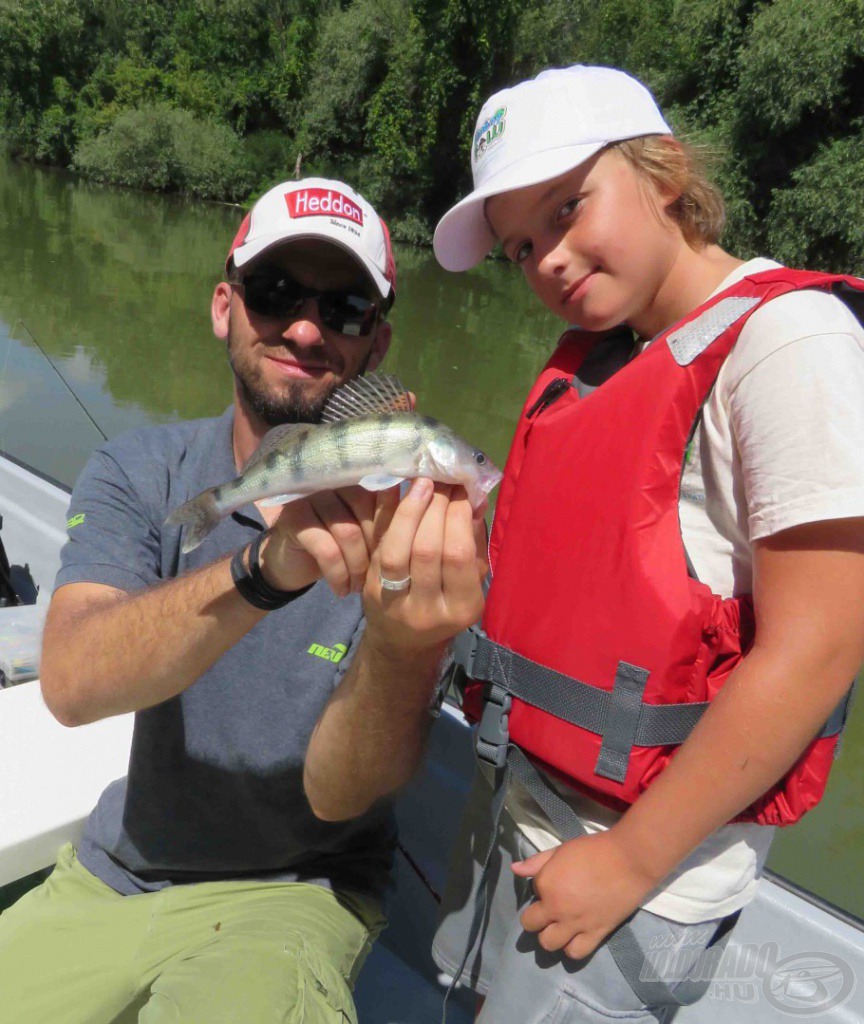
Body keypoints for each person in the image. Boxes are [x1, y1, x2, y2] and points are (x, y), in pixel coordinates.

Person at [305, 66, 864, 1020]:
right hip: (519, 805)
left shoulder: (789, 344)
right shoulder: (614, 349)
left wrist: (627, 862)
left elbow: (821, 648)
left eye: (569, 209)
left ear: (667, 174)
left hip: (638, 869)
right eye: (521, 246)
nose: (547, 261)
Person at [0, 176, 488, 1024]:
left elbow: (341, 799)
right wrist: (264, 565)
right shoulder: (141, 470)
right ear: (224, 306)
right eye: (273, 294)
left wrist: (403, 644)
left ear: (376, 347)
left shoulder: (414, 521)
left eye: (342, 310)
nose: (304, 328)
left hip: (297, 895)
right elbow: (72, 687)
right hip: (115, 869)